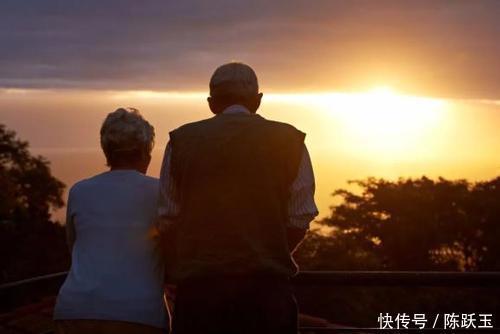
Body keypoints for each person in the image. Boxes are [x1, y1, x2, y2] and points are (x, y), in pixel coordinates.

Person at [158, 62, 318, 334]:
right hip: (267, 293)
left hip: (200, 294)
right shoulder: (290, 141)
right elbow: (300, 215)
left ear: (211, 103)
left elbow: (167, 218)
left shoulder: (181, 141)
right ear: (258, 101)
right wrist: (268, 251)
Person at [53, 108, 168, 334]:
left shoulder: (79, 191)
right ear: (145, 153)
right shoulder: (161, 193)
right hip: (139, 314)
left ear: (106, 152)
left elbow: (74, 247)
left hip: (75, 310)